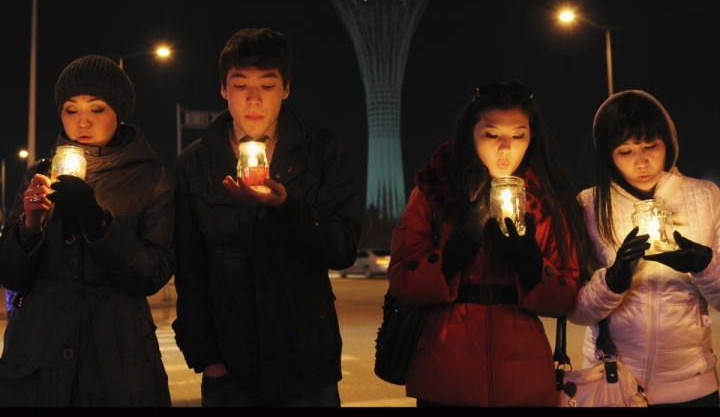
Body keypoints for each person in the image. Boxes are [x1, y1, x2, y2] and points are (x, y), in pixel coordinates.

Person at [172, 28, 361, 407]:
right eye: (241, 85)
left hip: (307, 365)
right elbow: (189, 268)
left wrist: (286, 208)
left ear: (286, 89)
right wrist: (208, 360)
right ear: (224, 90)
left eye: (268, 85)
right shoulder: (197, 162)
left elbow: (342, 248)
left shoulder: (320, 151)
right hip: (230, 369)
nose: (254, 98)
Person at [388, 80, 597, 406]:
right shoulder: (435, 189)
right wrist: (460, 245)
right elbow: (403, 282)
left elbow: (566, 297)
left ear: (532, 137)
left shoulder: (546, 198)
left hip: (524, 379)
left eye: (518, 135)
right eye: (491, 134)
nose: (505, 147)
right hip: (447, 373)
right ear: (470, 133)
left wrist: (528, 259)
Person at [0, 55, 175, 406]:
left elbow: (153, 272)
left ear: (118, 113)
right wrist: (30, 225)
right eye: (70, 109)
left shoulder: (150, 177)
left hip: (117, 355)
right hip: (39, 357)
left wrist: (99, 222)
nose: (82, 121)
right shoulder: (39, 172)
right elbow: (11, 275)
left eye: (96, 109)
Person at [569, 90, 720, 407]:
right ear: (608, 154)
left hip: (691, 386)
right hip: (612, 383)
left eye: (650, 146)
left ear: (669, 142)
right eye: (625, 151)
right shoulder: (589, 206)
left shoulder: (706, 198)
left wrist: (704, 264)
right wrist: (614, 279)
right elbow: (576, 311)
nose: (641, 161)